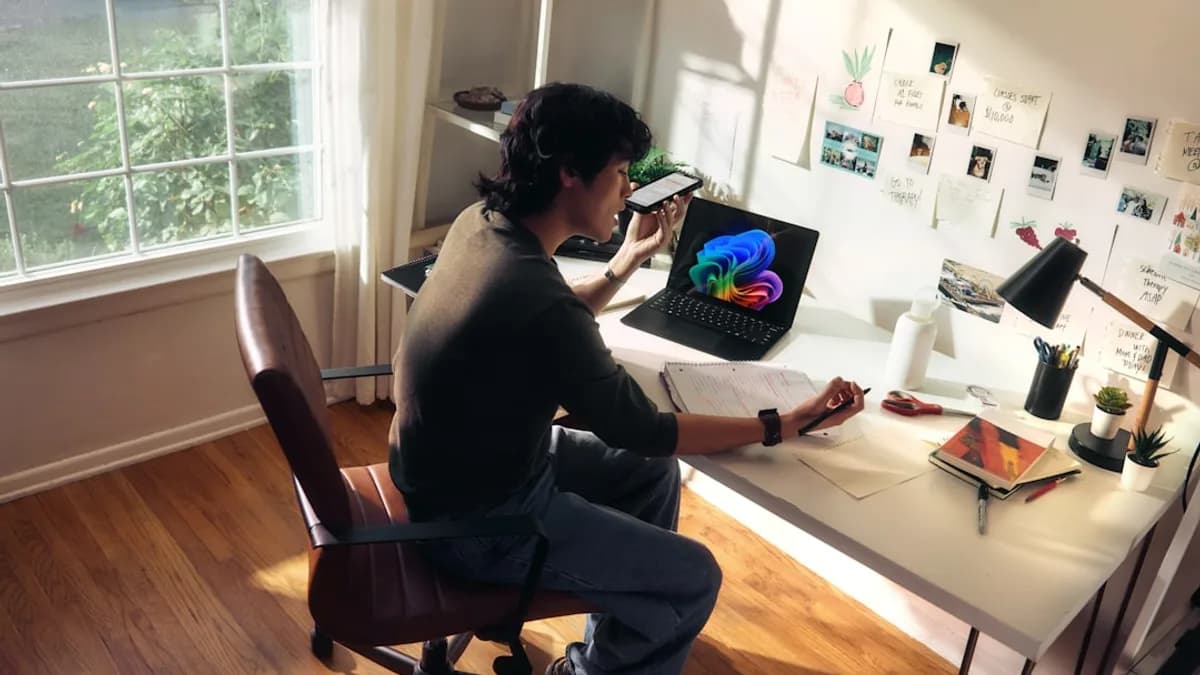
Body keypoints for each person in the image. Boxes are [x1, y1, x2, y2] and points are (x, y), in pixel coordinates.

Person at [388, 82, 865, 675]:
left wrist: (626, 261)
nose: (629, 190)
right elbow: (645, 429)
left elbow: (550, 318)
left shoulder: (483, 224)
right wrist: (782, 423)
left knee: (652, 477)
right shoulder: (535, 295)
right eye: (619, 173)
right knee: (693, 578)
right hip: (479, 524)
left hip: (454, 468)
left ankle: (609, 650)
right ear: (569, 173)